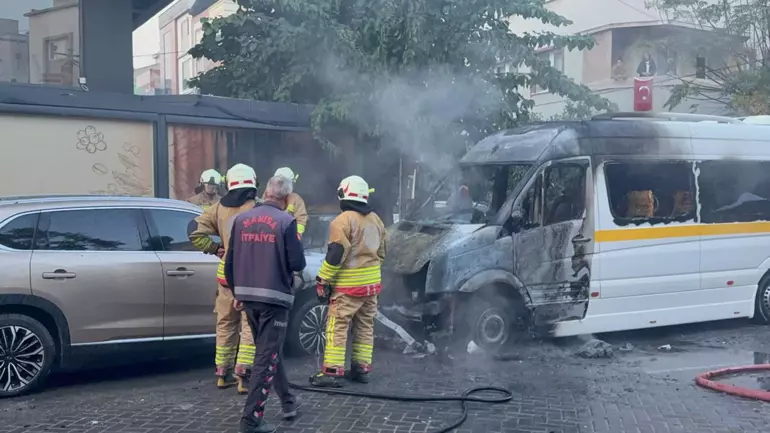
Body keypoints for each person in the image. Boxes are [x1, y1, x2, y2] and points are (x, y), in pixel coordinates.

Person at [225, 175, 306, 433]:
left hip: (248, 298)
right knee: (265, 357)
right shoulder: (286, 221)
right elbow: (298, 264)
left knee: (269, 351)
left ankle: (288, 401)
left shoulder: (241, 220)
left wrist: (237, 292)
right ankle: (251, 420)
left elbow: (229, 263)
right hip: (275, 300)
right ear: (285, 197)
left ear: (266, 193)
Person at [187, 163, 262, 394]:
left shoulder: (218, 208)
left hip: (225, 278)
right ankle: (245, 377)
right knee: (249, 325)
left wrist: (216, 248)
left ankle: (223, 373)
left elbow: (193, 230)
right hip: (252, 277)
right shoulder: (258, 209)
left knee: (226, 324)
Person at [310, 175, 386, 388]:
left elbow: (336, 253)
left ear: (343, 194)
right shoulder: (376, 220)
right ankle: (361, 369)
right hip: (371, 286)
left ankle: (332, 371)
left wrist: (323, 280)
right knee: (365, 326)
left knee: (337, 326)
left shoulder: (342, 221)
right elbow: (382, 252)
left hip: (348, 287)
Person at [268, 167, 309, 238]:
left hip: (288, 237)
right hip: (269, 236)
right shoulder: (267, 196)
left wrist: (297, 235)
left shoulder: (296, 199)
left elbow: (301, 218)